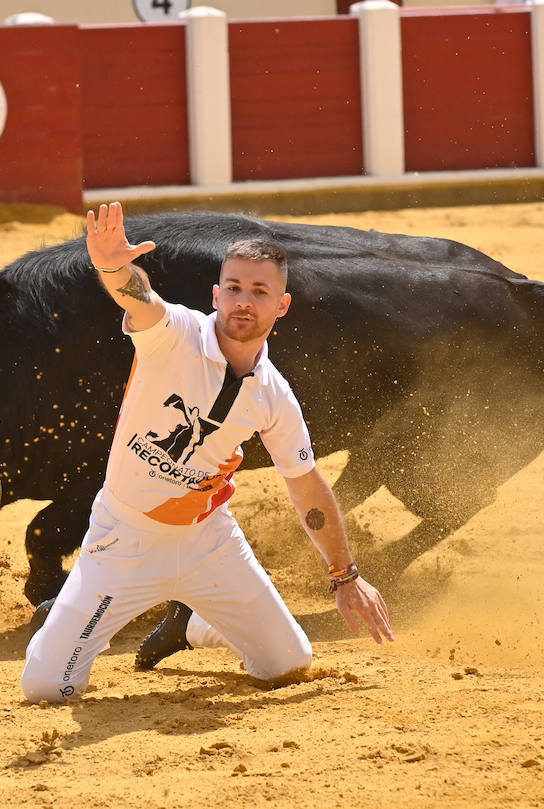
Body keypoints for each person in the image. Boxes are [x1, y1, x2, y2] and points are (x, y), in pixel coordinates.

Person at [21, 202, 394, 703]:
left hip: (209, 542)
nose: (244, 301)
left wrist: (345, 576)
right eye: (235, 288)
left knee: (288, 664)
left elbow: (305, 483)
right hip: (124, 539)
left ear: (281, 306)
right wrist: (111, 265)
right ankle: (74, 619)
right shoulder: (174, 334)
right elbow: (140, 297)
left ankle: (195, 624)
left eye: (260, 292)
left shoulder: (274, 396)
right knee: (48, 688)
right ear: (216, 294)